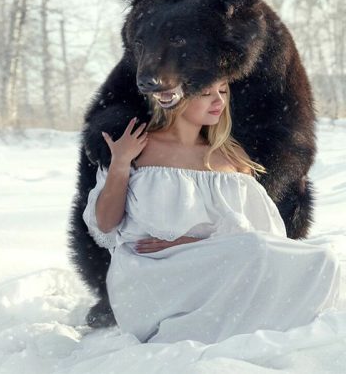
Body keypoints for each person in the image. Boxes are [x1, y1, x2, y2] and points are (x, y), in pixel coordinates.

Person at [84, 79, 340, 344]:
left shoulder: (232, 158)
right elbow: (105, 223)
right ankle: (193, 331)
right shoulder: (137, 147)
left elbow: (264, 234)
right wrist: (120, 163)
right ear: (174, 97)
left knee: (325, 260)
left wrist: (195, 243)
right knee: (254, 248)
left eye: (223, 91)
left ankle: (269, 332)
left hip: (223, 265)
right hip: (152, 272)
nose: (219, 101)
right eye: (206, 92)